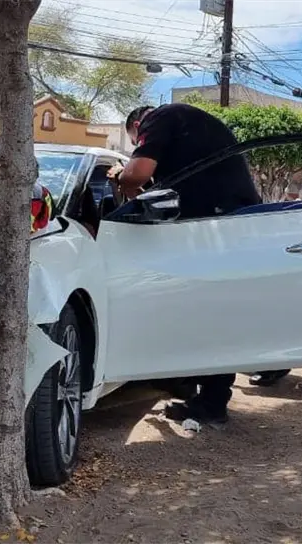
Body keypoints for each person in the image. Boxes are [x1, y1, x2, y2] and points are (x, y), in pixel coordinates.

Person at [107, 103, 262, 424]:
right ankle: (194, 387)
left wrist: (122, 178)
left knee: (208, 314)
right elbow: (164, 189)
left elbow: (137, 174)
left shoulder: (158, 119)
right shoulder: (187, 126)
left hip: (216, 225)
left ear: (137, 126)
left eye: (136, 140)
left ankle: (211, 402)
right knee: (210, 313)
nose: (139, 144)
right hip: (228, 223)